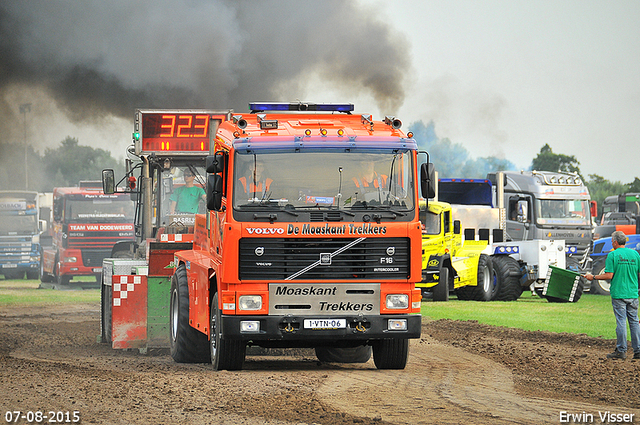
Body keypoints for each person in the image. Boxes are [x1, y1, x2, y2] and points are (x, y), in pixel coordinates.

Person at [585, 230, 640, 360]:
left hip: (619, 293)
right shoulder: (635, 254)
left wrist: (593, 277)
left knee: (621, 321)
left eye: (611, 242)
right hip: (632, 293)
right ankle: (638, 351)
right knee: (634, 322)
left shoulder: (612, 255)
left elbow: (609, 275)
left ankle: (621, 350)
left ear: (615, 242)